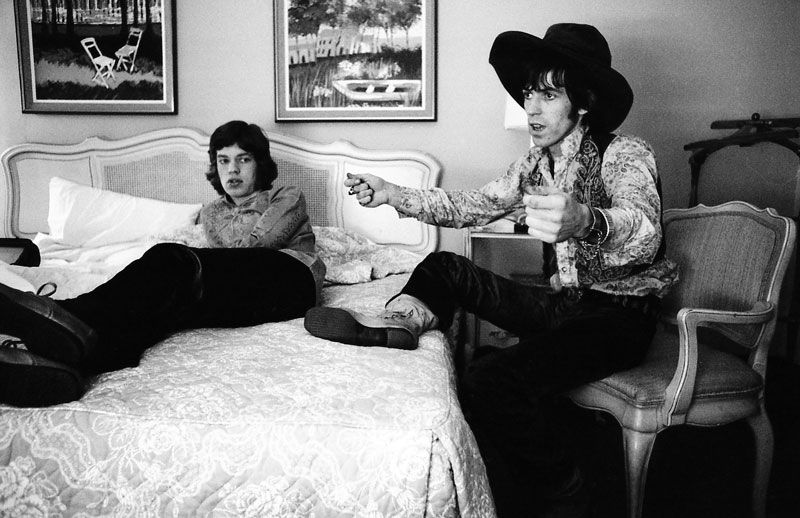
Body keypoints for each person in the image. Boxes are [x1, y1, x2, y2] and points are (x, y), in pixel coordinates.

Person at [304, 24, 678, 517]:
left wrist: (588, 220)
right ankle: (404, 323)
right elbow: (476, 204)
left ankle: (568, 493)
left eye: (549, 94)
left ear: (583, 101)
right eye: (529, 93)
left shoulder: (625, 153)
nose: (533, 109)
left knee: (487, 379)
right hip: (562, 303)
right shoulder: (534, 162)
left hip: (617, 317)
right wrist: (395, 194)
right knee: (442, 266)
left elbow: (646, 228)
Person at [0, 120, 325, 408]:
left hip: (292, 279)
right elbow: (227, 267)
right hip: (247, 294)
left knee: (171, 260)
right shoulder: (212, 214)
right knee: (163, 305)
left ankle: (63, 314)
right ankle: (75, 365)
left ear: (260, 164)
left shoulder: (286, 193)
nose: (233, 170)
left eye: (243, 159)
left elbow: (258, 246)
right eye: (223, 160)